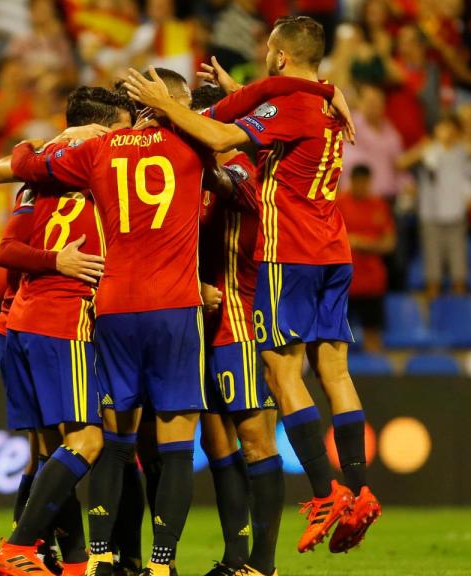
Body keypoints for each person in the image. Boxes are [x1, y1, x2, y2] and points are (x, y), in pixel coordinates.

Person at [123, 15, 380, 559]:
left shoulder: (287, 105)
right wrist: (253, 93)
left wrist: (165, 103)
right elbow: (281, 108)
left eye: (268, 49)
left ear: (280, 56)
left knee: (282, 370)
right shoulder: (323, 102)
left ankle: (323, 494)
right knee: (334, 369)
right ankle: (358, 492)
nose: (264, 55)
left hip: (290, 252)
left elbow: (219, 134)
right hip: (334, 248)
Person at [7, 68, 208, 576]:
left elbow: (18, 165)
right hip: (174, 304)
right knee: (174, 444)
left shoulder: (100, 152)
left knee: (114, 442)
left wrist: (59, 139)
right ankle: (160, 565)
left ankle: (97, 558)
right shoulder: (194, 143)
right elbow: (231, 132)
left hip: (114, 308)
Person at [0, 87, 128, 575]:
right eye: (122, 129)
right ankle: (19, 548)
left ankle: (69, 563)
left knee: (51, 451)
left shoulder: (43, 175)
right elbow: (7, 249)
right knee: (86, 442)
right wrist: (59, 261)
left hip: (27, 320)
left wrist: (50, 144)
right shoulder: (95, 175)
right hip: (61, 321)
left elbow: (5, 165)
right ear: (102, 131)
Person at [190, 84, 281, 576]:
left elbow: (225, 182)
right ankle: (236, 557)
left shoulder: (246, 164)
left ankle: (261, 565)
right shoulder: (190, 174)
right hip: (201, 325)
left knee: (256, 441)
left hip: (240, 323)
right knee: (215, 441)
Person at [397, 113, 471, 300]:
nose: (446, 132)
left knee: (459, 271)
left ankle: (458, 312)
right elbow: (401, 163)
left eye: (450, 127)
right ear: (435, 130)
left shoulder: (463, 152)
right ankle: (432, 318)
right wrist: (422, 147)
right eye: (442, 127)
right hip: (430, 215)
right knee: (432, 272)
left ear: (456, 131)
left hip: (456, 215)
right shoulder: (427, 150)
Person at [337, 165, 395, 353]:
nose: (362, 186)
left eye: (365, 182)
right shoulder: (339, 203)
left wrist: (362, 243)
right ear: (352, 181)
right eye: (358, 182)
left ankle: (377, 376)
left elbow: (390, 243)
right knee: (336, 339)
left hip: (372, 283)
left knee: (373, 337)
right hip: (343, 283)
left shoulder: (378, 205)